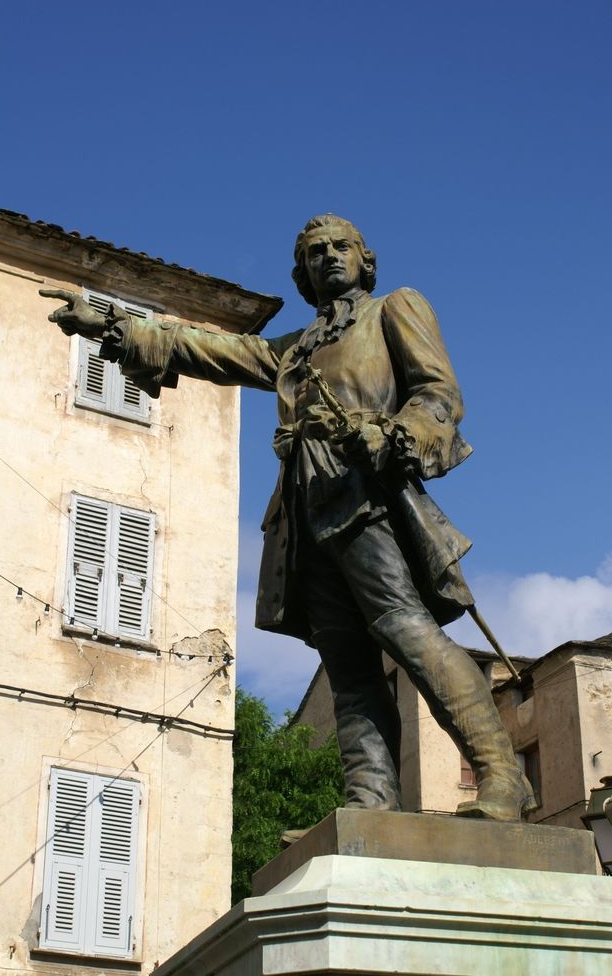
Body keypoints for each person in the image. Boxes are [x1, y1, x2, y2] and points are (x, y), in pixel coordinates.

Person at [43, 214, 535, 824]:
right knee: (348, 664)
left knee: (404, 629)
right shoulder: (296, 349)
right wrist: (119, 326)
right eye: (314, 252)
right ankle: (372, 802)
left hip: (363, 495)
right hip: (303, 515)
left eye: (341, 247)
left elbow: (438, 397)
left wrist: (390, 437)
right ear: (301, 272)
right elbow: (217, 350)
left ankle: (502, 778)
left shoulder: (393, 311)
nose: (329, 256)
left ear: (365, 258)